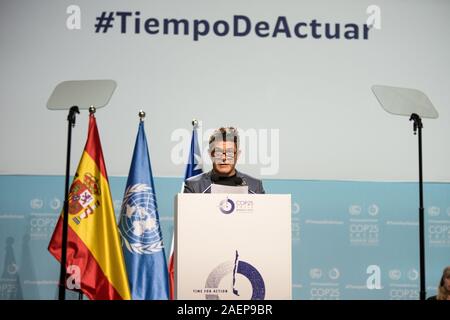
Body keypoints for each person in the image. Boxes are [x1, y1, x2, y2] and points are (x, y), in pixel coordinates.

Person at [184, 127, 265, 194]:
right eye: (218, 152)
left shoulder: (255, 187)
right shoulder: (193, 186)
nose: (224, 158)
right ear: (210, 154)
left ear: (238, 155)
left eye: (230, 152)